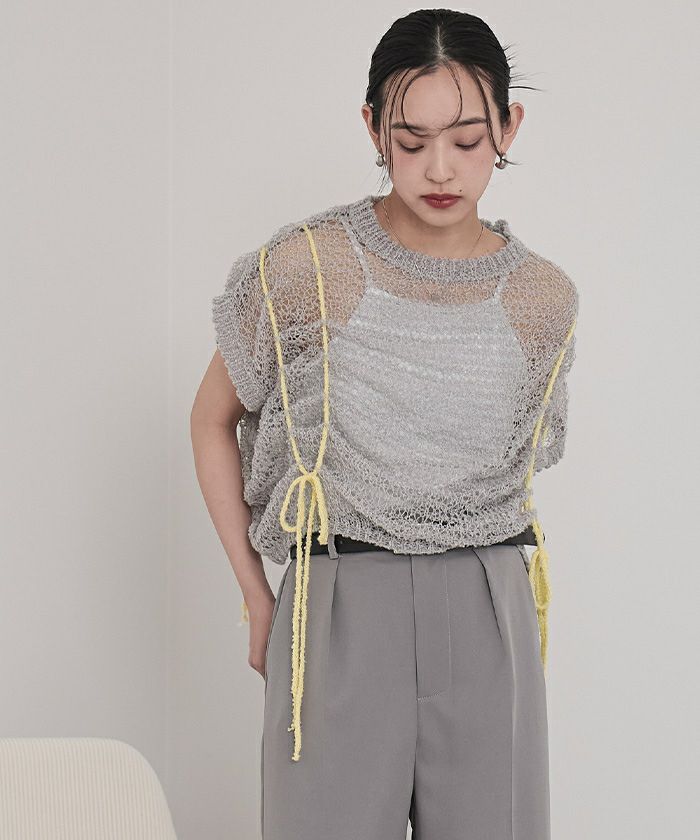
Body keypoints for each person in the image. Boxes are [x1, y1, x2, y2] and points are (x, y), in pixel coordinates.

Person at [191, 8, 579, 839]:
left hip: (489, 603)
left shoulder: (543, 299)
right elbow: (211, 419)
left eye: (468, 140)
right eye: (410, 141)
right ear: (373, 128)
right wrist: (257, 598)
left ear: (509, 126)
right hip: (338, 602)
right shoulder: (308, 265)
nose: (440, 168)